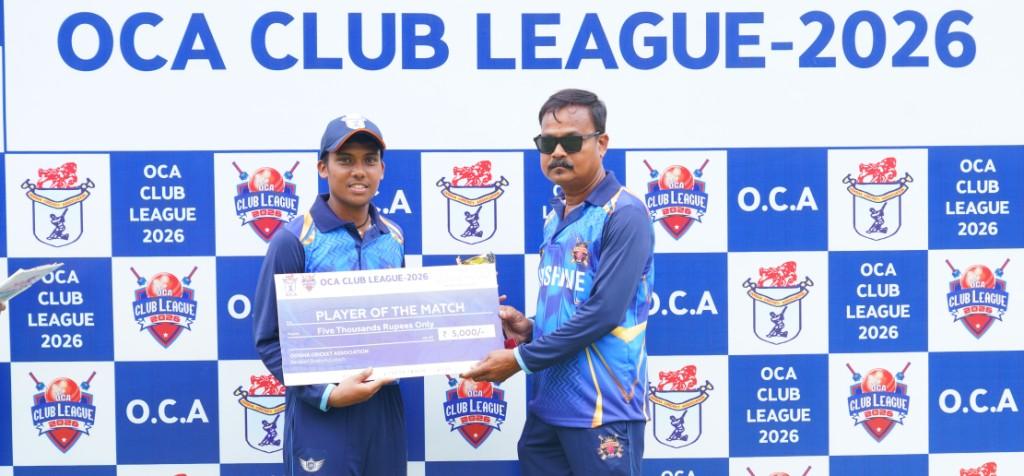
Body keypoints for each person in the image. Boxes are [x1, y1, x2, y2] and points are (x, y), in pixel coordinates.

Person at [463, 89, 655, 475]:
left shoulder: (624, 213)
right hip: (548, 407)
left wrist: (520, 359)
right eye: (548, 143)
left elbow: (604, 312)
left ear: (602, 143)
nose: (558, 153)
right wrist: (529, 329)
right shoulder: (557, 217)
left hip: (602, 410)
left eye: (571, 141)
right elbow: (572, 303)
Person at [253, 113, 408, 475]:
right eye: (346, 160)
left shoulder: (394, 237)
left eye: (369, 161)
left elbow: (403, 322)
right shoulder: (294, 240)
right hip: (322, 409)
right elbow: (269, 339)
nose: (359, 172)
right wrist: (326, 394)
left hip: (382, 405)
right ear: (323, 167)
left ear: (382, 170)